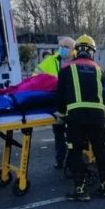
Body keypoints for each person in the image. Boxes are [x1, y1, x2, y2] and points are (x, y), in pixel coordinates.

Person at [57, 35, 105, 201]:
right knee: (100, 150)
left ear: (76, 50)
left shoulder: (66, 68)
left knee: (75, 151)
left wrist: (60, 114)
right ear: (92, 52)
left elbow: (60, 96)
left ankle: (81, 189)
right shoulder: (99, 69)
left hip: (76, 117)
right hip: (97, 117)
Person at [35, 36, 76, 167]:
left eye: (66, 47)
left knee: (73, 136)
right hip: (57, 103)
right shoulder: (51, 61)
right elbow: (36, 76)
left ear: (73, 49)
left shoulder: (78, 61)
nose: (62, 49)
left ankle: (72, 161)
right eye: (60, 46)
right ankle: (60, 160)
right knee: (58, 134)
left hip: (73, 104)